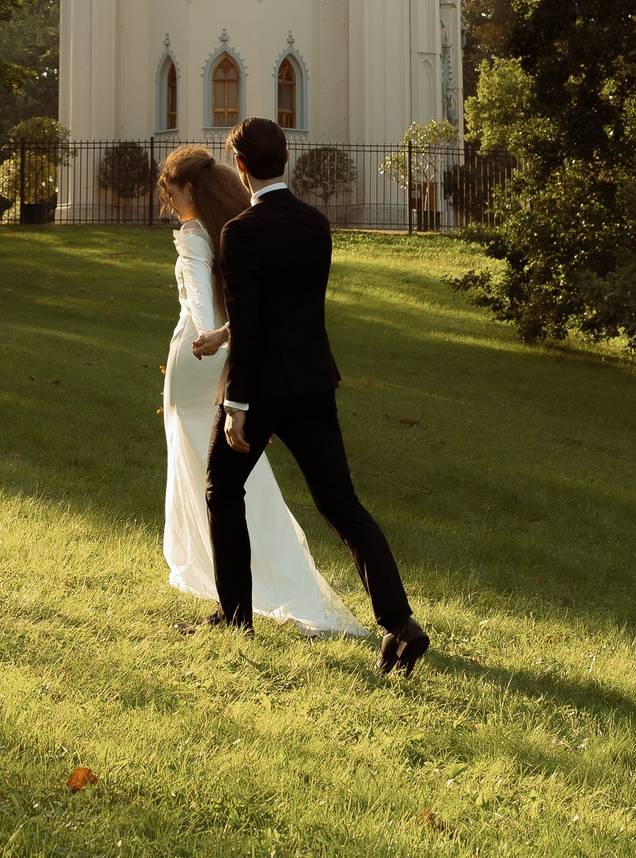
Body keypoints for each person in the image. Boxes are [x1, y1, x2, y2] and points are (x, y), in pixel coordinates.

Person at [206, 117, 430, 675]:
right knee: (342, 505)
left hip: (261, 393)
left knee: (221, 489)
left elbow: (252, 325)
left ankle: (234, 616)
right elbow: (294, 313)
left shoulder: (240, 232)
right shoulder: (316, 224)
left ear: (240, 167)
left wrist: (236, 407)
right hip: (312, 386)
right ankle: (400, 625)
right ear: (285, 155)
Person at [156, 147, 362, 636]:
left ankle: (232, 598)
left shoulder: (194, 234)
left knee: (213, 481)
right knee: (241, 482)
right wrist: (221, 336)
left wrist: (208, 334)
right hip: (234, 358)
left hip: (199, 360)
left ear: (187, 189)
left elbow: (202, 302)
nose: (170, 202)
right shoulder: (233, 222)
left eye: (170, 192)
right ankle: (256, 586)